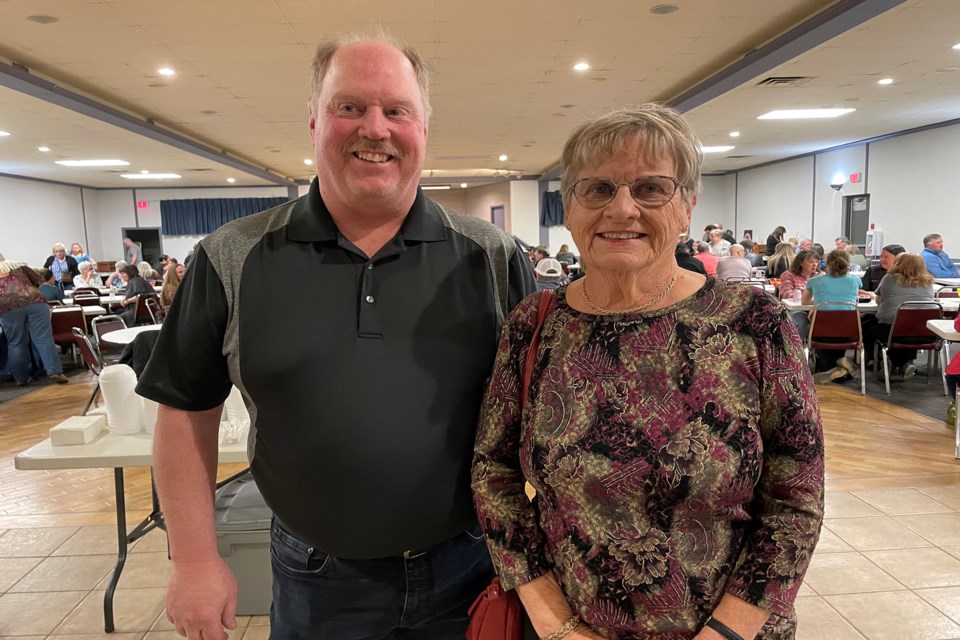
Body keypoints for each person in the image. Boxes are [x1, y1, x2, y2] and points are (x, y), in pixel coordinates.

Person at [135, 32, 536, 640]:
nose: (375, 128)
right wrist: (193, 560)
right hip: (316, 578)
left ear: (423, 127)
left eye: (396, 109)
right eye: (349, 107)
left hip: (471, 566)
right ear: (315, 123)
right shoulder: (230, 258)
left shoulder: (492, 256)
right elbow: (186, 413)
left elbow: (542, 415)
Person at [473, 104, 823, 640]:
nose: (622, 208)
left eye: (651, 188)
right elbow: (493, 473)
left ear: (687, 207)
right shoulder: (534, 323)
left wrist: (725, 634)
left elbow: (796, 499)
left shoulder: (755, 323)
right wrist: (555, 624)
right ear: (569, 208)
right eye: (597, 189)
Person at [0, 253, 69, 385]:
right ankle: (55, 371)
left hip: (8, 308)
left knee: (16, 343)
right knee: (44, 338)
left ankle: (21, 378)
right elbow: (38, 278)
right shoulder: (16, 266)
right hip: (35, 301)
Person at [864, 253, 935, 380]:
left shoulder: (889, 278)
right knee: (910, 325)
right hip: (925, 332)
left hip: (893, 331)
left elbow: (879, 300)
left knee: (871, 328)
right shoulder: (928, 281)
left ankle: (883, 361)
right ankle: (905, 363)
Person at [802, 249, 862, 383]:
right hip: (848, 333)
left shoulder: (814, 281)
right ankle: (841, 366)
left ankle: (832, 368)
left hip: (820, 332)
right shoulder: (855, 281)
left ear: (827, 263)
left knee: (808, 327)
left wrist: (821, 302)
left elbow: (804, 301)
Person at [778, 249, 821, 340]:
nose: (814, 265)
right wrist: (810, 297)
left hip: (816, 310)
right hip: (797, 310)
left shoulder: (821, 275)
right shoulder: (788, 275)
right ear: (801, 262)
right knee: (799, 318)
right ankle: (797, 349)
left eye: (816, 262)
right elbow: (788, 295)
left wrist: (805, 296)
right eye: (811, 262)